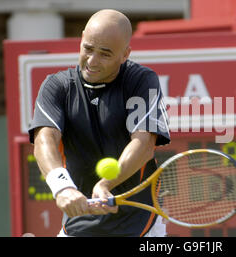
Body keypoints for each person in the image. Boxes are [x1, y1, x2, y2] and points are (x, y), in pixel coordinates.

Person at [28, 9, 170, 237]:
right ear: (82, 38)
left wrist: (106, 183)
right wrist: (62, 186)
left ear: (125, 54)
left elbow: (143, 145)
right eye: (88, 49)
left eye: (105, 54)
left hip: (139, 226)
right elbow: (45, 140)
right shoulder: (56, 86)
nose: (92, 61)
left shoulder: (141, 81)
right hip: (77, 226)